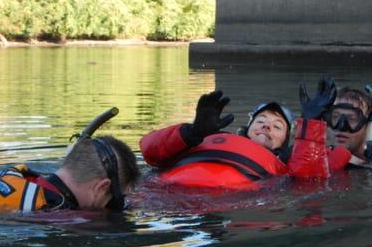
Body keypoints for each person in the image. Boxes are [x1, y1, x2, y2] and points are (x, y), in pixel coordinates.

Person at [140, 77, 351, 190]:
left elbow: (311, 183)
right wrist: (190, 132)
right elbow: (148, 151)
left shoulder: (287, 165)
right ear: (247, 129)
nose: (267, 127)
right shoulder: (204, 138)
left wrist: (311, 123)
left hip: (222, 199)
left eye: (278, 127)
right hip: (158, 191)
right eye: (260, 121)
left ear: (285, 143)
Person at [0, 135, 140, 213]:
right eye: (116, 201)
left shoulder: (24, 179)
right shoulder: (57, 216)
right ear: (102, 187)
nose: (115, 205)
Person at [326, 85, 372, 164]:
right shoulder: (315, 154)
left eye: (352, 119)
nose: (341, 127)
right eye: (335, 117)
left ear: (368, 126)